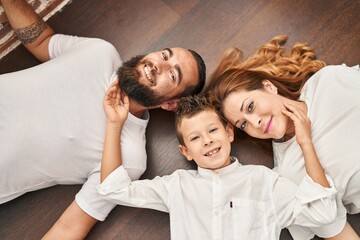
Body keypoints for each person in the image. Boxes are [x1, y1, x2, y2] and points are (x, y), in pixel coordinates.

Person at [0, 0, 206, 238]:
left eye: (172, 74)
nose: (158, 64)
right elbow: (41, 41)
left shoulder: (128, 158)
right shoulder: (100, 52)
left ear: (170, 104)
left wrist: (115, 125)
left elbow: (70, 227)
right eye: (165, 55)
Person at [98, 91, 338, 239]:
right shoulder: (177, 187)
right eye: (195, 138)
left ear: (229, 133)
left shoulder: (264, 181)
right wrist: (114, 123)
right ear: (186, 152)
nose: (208, 140)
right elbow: (111, 188)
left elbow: (323, 213)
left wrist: (305, 143)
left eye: (212, 130)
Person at [206, 35, 360, 239]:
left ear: (268, 87)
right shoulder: (289, 176)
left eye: (250, 107)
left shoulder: (328, 80)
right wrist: (305, 143)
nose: (254, 123)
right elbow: (338, 232)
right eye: (243, 124)